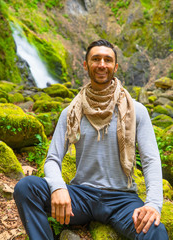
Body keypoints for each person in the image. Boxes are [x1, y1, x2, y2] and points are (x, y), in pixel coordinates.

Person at [14, 39, 169, 240]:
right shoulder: (71, 112)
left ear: (115, 66)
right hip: (81, 196)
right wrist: (59, 187)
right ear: (86, 65)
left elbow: (150, 160)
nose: (102, 64)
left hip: (122, 199)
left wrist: (153, 204)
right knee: (26, 187)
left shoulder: (136, 110)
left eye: (107, 59)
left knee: (156, 231)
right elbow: (52, 159)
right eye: (96, 59)